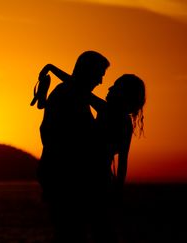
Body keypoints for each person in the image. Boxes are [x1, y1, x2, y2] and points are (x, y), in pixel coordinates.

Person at [37, 64, 146, 243]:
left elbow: (76, 86)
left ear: (124, 95)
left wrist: (51, 68)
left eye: (116, 86)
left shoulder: (108, 111)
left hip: (91, 180)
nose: (109, 87)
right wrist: (117, 190)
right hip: (100, 180)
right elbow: (123, 163)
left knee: (84, 231)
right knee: (100, 230)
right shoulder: (123, 120)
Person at [35, 51, 110, 243]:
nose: (101, 81)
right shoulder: (68, 95)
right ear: (88, 72)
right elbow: (52, 135)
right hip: (66, 178)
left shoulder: (71, 93)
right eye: (99, 74)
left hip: (61, 176)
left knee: (70, 232)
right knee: (71, 232)